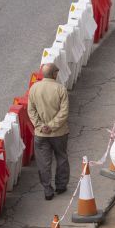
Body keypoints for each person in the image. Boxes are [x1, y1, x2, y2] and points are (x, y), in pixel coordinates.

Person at [28, 63, 70, 200]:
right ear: (55, 74)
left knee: (43, 163)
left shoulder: (34, 88)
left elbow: (31, 111)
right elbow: (64, 112)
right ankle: (61, 185)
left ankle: (47, 190)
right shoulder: (60, 89)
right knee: (61, 158)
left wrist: (40, 126)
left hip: (41, 134)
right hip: (59, 133)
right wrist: (52, 126)